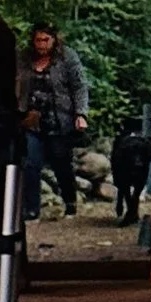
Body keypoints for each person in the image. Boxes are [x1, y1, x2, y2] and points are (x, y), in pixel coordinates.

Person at [21, 22, 90, 219]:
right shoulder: (24, 58)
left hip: (59, 118)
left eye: (45, 40)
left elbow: (79, 86)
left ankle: (70, 203)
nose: (41, 44)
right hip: (31, 119)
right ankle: (32, 209)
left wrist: (81, 114)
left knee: (62, 163)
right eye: (38, 40)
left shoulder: (67, 57)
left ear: (53, 40)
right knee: (31, 163)